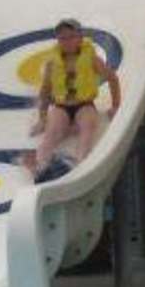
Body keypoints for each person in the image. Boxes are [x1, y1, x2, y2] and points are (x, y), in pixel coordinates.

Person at [26, 18, 121, 182]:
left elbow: (112, 78)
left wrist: (115, 106)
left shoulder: (91, 58)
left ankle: (79, 167)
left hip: (85, 105)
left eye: (71, 37)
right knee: (51, 135)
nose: (67, 42)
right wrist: (42, 118)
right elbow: (45, 90)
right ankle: (40, 170)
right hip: (61, 106)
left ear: (80, 38)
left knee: (87, 129)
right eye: (62, 38)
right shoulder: (52, 62)